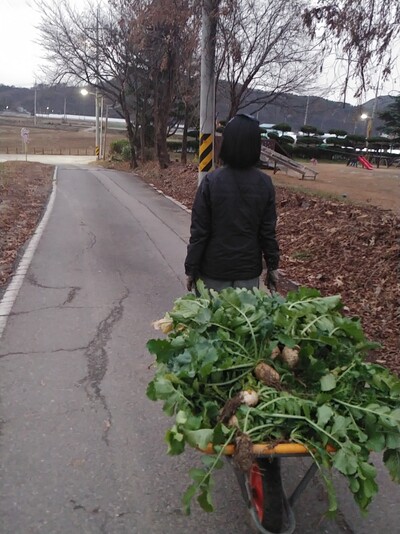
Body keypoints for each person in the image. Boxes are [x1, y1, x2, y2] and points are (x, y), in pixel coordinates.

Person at [184, 114, 280, 293]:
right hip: (247, 274)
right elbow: (267, 233)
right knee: (244, 319)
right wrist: (273, 266)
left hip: (213, 272)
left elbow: (199, 231)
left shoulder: (211, 182)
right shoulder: (264, 184)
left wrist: (191, 267)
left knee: (212, 320)